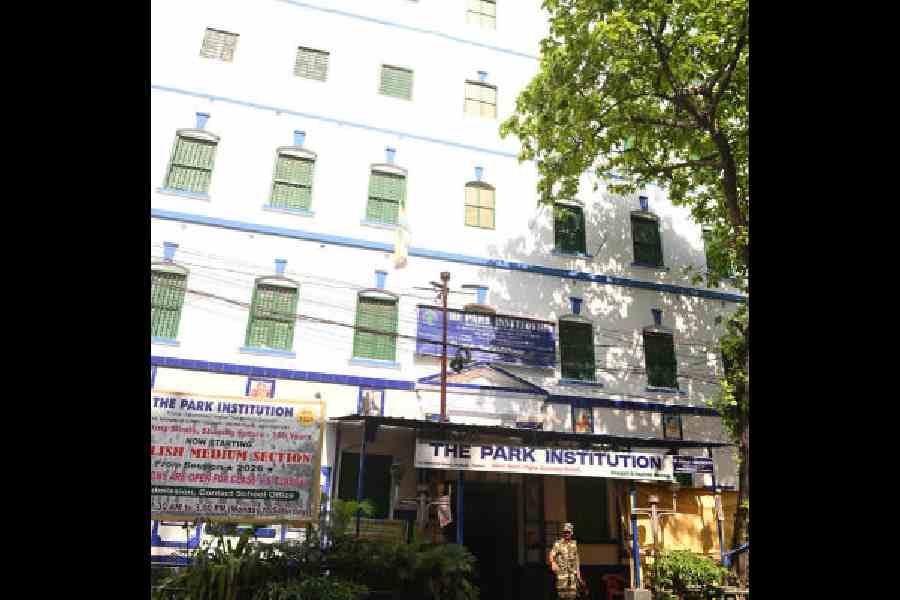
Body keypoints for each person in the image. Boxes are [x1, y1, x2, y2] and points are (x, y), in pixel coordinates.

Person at [549, 522, 585, 599]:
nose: (566, 534)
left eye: (568, 532)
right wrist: (553, 563)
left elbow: (576, 560)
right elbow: (551, 554)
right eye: (565, 532)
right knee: (562, 596)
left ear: (571, 533)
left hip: (572, 575)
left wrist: (579, 575)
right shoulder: (558, 544)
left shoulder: (574, 544)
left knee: (572, 596)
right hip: (562, 574)